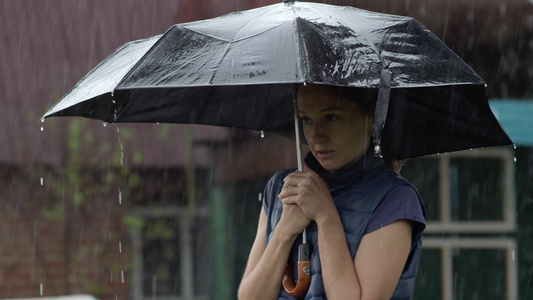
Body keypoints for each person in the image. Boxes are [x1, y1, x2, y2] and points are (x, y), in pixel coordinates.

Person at [238, 84, 426, 300]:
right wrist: (285, 230)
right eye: (306, 119)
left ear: (372, 119)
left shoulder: (395, 200)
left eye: (332, 117)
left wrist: (326, 215)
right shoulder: (281, 187)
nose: (316, 135)